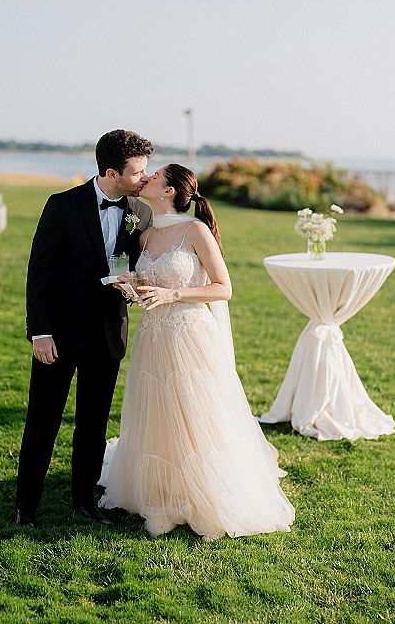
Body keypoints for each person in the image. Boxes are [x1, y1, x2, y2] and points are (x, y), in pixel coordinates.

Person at [99, 163, 295, 540]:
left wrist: (174, 294)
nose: (146, 179)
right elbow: (151, 283)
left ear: (170, 190)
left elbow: (223, 288)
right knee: (158, 412)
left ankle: (201, 491)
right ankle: (161, 492)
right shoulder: (146, 234)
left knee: (195, 411)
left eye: (154, 176)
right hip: (154, 337)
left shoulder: (196, 230)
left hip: (189, 335)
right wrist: (133, 285)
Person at [15, 129, 153, 527]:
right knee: (43, 422)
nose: (145, 178)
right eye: (138, 172)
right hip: (56, 336)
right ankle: (26, 504)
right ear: (112, 172)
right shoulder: (62, 206)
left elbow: (127, 267)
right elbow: (39, 272)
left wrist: (130, 289)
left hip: (108, 336)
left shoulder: (139, 212)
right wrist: (40, 332)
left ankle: (83, 500)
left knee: (93, 426)